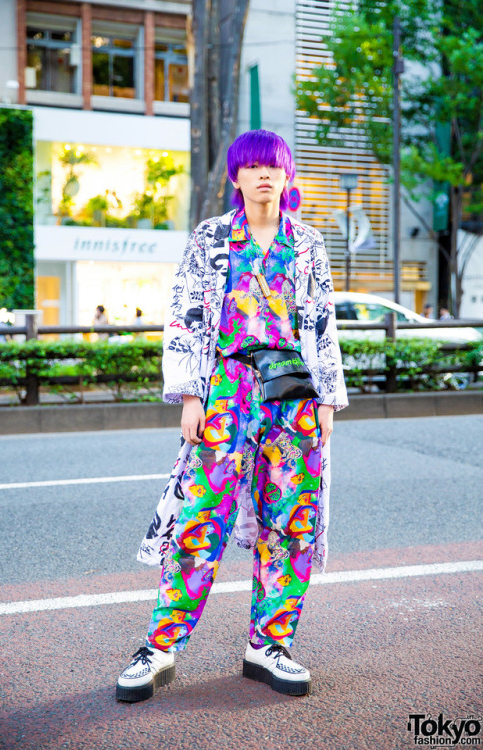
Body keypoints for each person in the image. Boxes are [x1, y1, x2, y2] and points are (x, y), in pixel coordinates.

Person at [116, 129, 348, 703]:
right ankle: (160, 646)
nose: (265, 175)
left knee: (290, 523)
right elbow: (187, 315)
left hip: (292, 393)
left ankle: (269, 645)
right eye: (254, 167)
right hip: (224, 389)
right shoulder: (211, 237)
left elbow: (322, 321)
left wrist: (326, 399)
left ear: (287, 176)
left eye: (275, 166)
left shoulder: (309, 244)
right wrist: (191, 395)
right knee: (199, 517)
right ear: (237, 176)